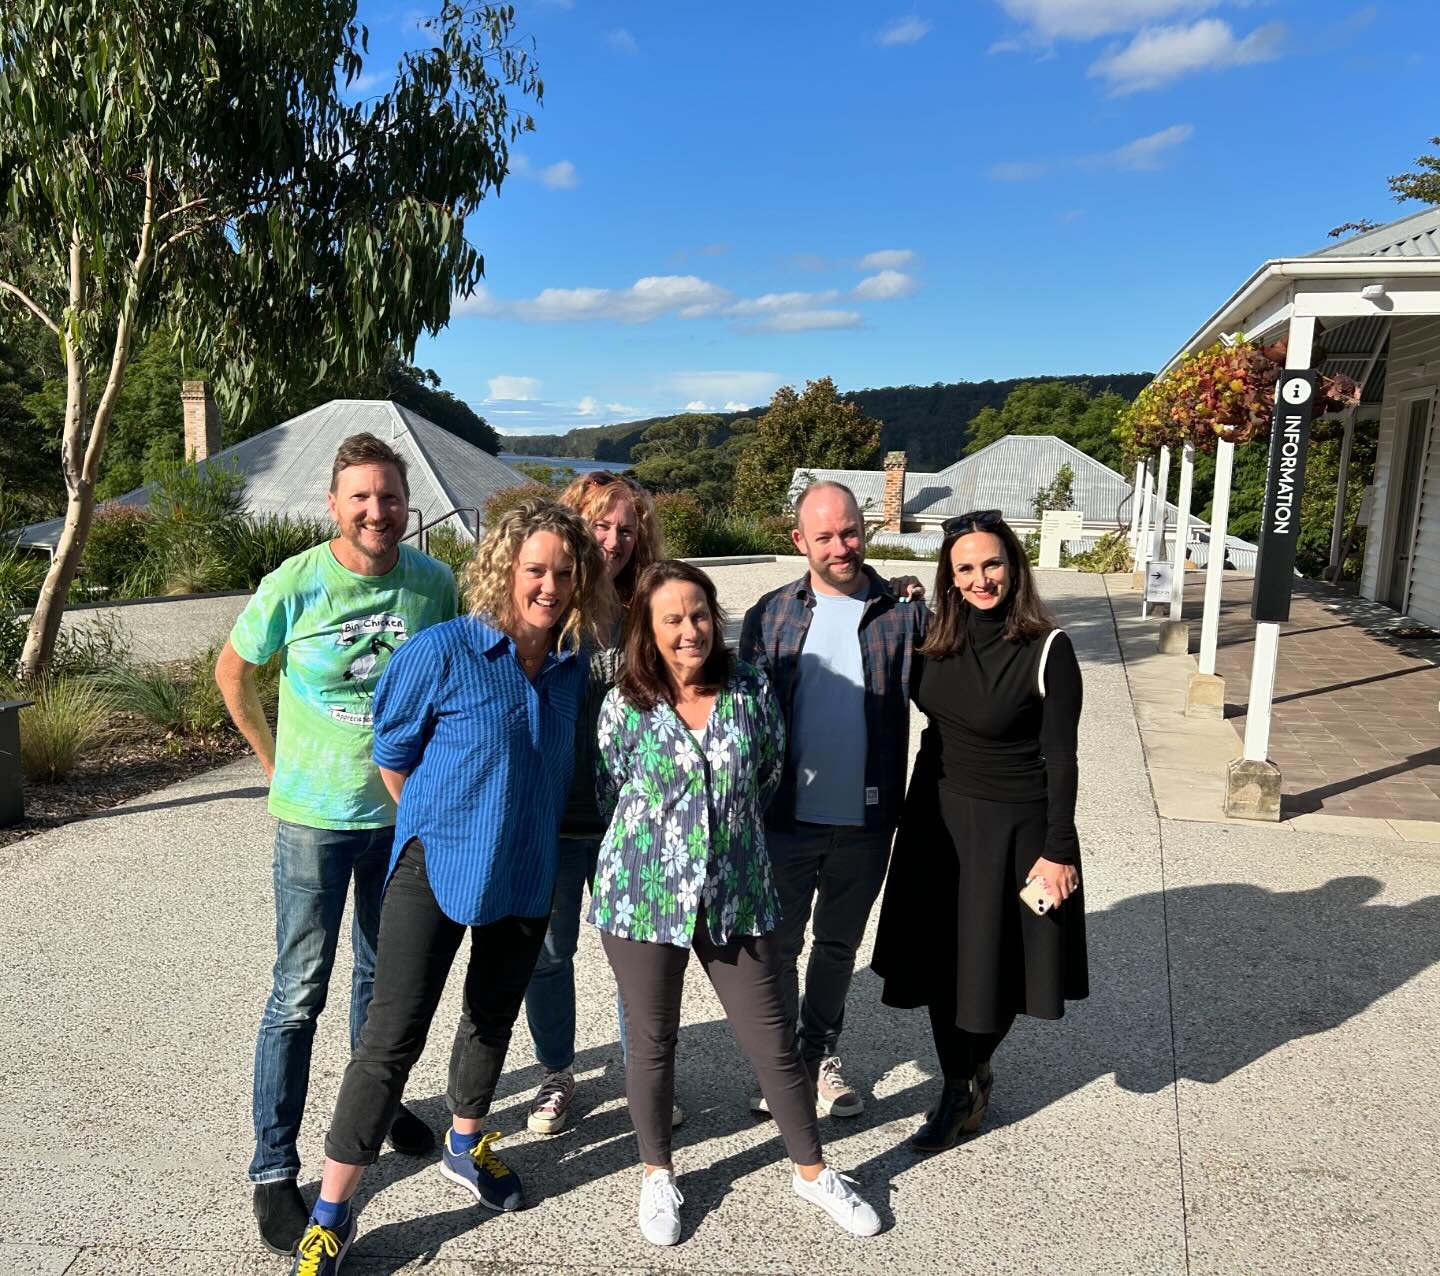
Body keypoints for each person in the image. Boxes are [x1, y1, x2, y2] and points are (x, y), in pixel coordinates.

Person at [287, 498, 615, 1276]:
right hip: (434, 868)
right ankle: (332, 1210)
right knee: (389, 1040)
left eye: (564, 573)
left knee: (490, 1018)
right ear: (506, 569)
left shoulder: (570, 668)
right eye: (535, 569)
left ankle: (466, 1145)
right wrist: (447, 826)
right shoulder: (440, 652)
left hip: (527, 873)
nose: (549, 586)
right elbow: (393, 756)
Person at [592, 560, 882, 1246]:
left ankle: (811, 1172)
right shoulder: (623, 701)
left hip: (737, 888)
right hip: (643, 896)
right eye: (672, 619)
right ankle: (657, 1173)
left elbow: (769, 772)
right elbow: (613, 791)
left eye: (698, 614)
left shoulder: (751, 688)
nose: (689, 629)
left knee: (771, 1038)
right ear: (649, 629)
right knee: (652, 1041)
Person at [215, 433, 456, 1255]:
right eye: (361, 497)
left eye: (389, 496)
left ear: (405, 502)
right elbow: (232, 674)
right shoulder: (297, 582)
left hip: (397, 820)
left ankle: (374, 1110)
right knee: (298, 992)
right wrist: (277, 767)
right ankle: (273, 1168)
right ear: (334, 505)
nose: (377, 511)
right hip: (314, 823)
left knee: (381, 980)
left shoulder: (435, 585)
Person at [871, 509, 1088, 1153]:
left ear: (1013, 566)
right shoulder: (934, 635)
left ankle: (975, 1065)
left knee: (1002, 966)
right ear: (948, 575)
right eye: (964, 568)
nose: (979, 579)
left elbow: (1063, 759)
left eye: (991, 564)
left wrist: (1058, 850)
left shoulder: (1050, 649)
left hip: (1015, 829)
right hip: (935, 822)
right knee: (941, 962)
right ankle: (958, 1085)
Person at [738, 480, 925, 1118]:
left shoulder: (904, 612)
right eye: (825, 536)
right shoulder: (770, 614)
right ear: (800, 541)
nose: (841, 546)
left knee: (838, 947)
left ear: (865, 529)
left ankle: (819, 1055)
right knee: (778, 948)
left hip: (867, 821)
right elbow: (744, 720)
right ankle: (783, 1066)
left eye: (850, 532)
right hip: (785, 817)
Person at [523, 470, 666, 1135]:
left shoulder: (651, 607)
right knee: (549, 956)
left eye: (626, 529)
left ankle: (646, 1076)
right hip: (551, 819)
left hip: (628, 821)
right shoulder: (546, 606)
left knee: (634, 954)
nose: (612, 540)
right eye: (599, 525)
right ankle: (556, 1074)